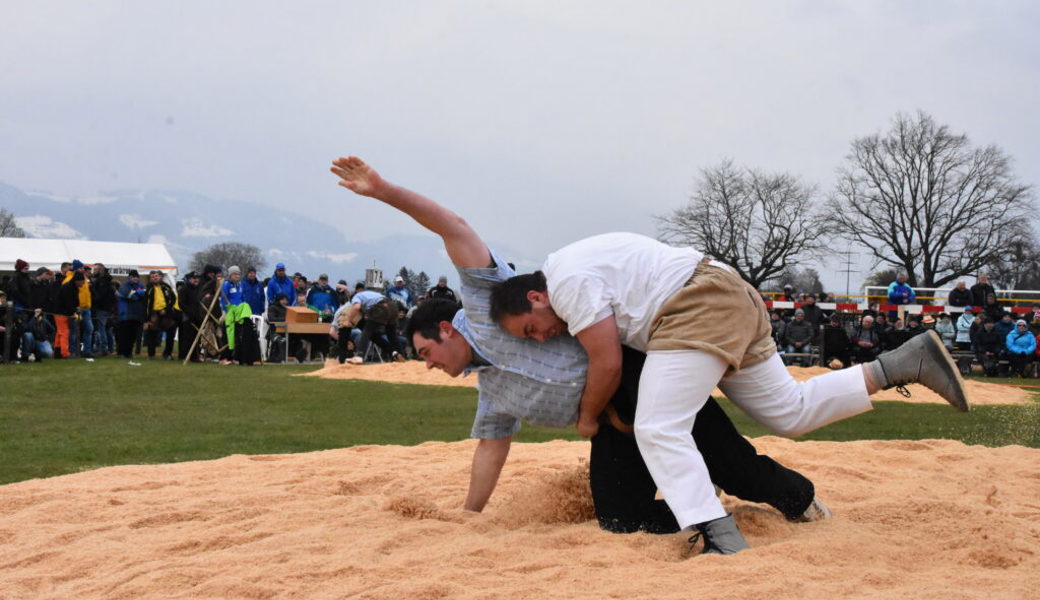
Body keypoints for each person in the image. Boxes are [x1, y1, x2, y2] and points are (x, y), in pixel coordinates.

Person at [331, 155, 831, 542]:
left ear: (445, 331)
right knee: (618, 518)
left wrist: (383, 191)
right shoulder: (491, 392)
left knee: (731, 462)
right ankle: (699, 515)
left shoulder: (490, 301)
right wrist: (469, 517)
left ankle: (798, 499)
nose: (431, 367)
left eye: (426, 354)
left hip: (634, 376)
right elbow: (490, 448)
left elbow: (454, 227)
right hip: (608, 425)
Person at [489, 233, 968, 554]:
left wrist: (588, 417)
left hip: (695, 303)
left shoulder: (566, 281)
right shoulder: (574, 264)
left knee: (659, 425)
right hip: (727, 293)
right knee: (790, 411)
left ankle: (716, 534)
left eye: (532, 328)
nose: (540, 336)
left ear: (535, 296)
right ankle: (902, 364)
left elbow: (608, 361)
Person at [143, 271, 180, 360]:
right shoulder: (149, 289)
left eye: (156, 276)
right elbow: (146, 305)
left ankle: (167, 354)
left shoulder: (166, 287)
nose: (155, 278)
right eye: (153, 277)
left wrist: (166, 309)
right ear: (150, 279)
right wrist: (146, 320)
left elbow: (173, 299)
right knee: (152, 333)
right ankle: (151, 355)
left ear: (160, 277)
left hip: (166, 312)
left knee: (171, 332)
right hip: (154, 313)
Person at [177, 272, 204, 362]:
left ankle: (194, 356)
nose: (196, 280)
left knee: (197, 338)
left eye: (197, 278)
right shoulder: (184, 289)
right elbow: (181, 303)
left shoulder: (198, 289)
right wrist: (190, 312)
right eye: (193, 278)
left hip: (197, 317)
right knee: (187, 337)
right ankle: (184, 355)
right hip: (188, 317)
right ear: (189, 279)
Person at [91, 264, 117, 357]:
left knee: (101, 328)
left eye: (95, 269)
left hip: (102, 307)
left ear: (100, 270)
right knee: (106, 329)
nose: (93, 271)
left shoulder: (103, 281)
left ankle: (103, 348)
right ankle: (108, 348)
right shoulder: (107, 280)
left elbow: (100, 296)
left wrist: (93, 293)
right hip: (107, 308)